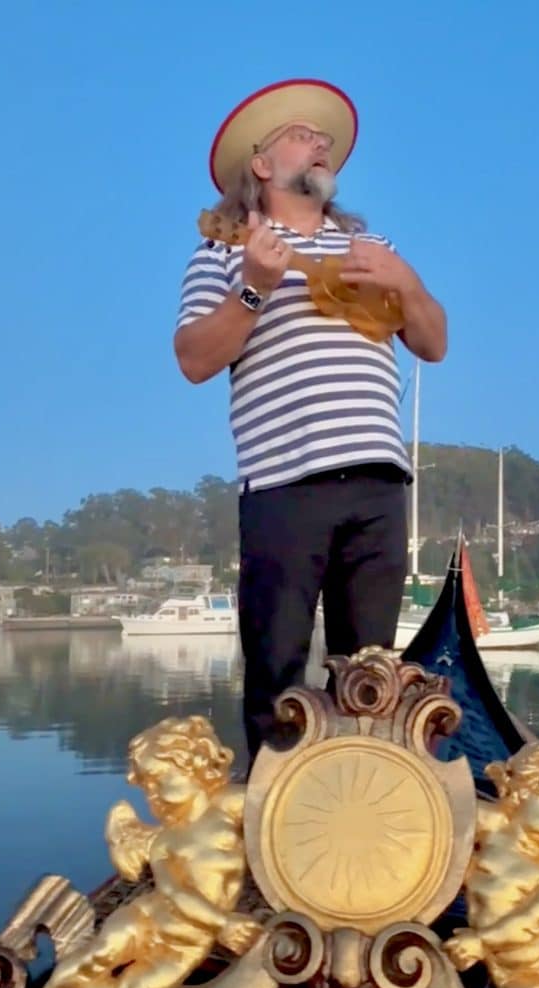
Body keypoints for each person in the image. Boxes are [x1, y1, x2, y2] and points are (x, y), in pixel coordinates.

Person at [173, 78, 446, 764]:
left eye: (323, 139)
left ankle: (365, 818)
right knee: (277, 674)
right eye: (302, 135)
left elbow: (434, 343)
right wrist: (254, 287)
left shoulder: (370, 244)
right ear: (262, 166)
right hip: (283, 482)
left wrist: (405, 282)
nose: (320, 143)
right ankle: (271, 830)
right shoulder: (223, 252)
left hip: (378, 479)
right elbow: (194, 359)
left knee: (372, 674)